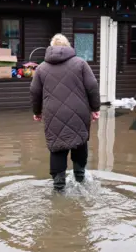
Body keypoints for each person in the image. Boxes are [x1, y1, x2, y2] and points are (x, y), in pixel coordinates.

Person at [30, 33, 100, 191]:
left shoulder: (41, 68)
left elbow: (34, 92)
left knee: (57, 147)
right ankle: (80, 180)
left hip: (53, 114)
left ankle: (59, 187)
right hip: (79, 111)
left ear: (51, 47)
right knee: (80, 143)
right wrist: (95, 108)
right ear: (68, 46)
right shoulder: (80, 63)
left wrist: (37, 112)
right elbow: (92, 86)